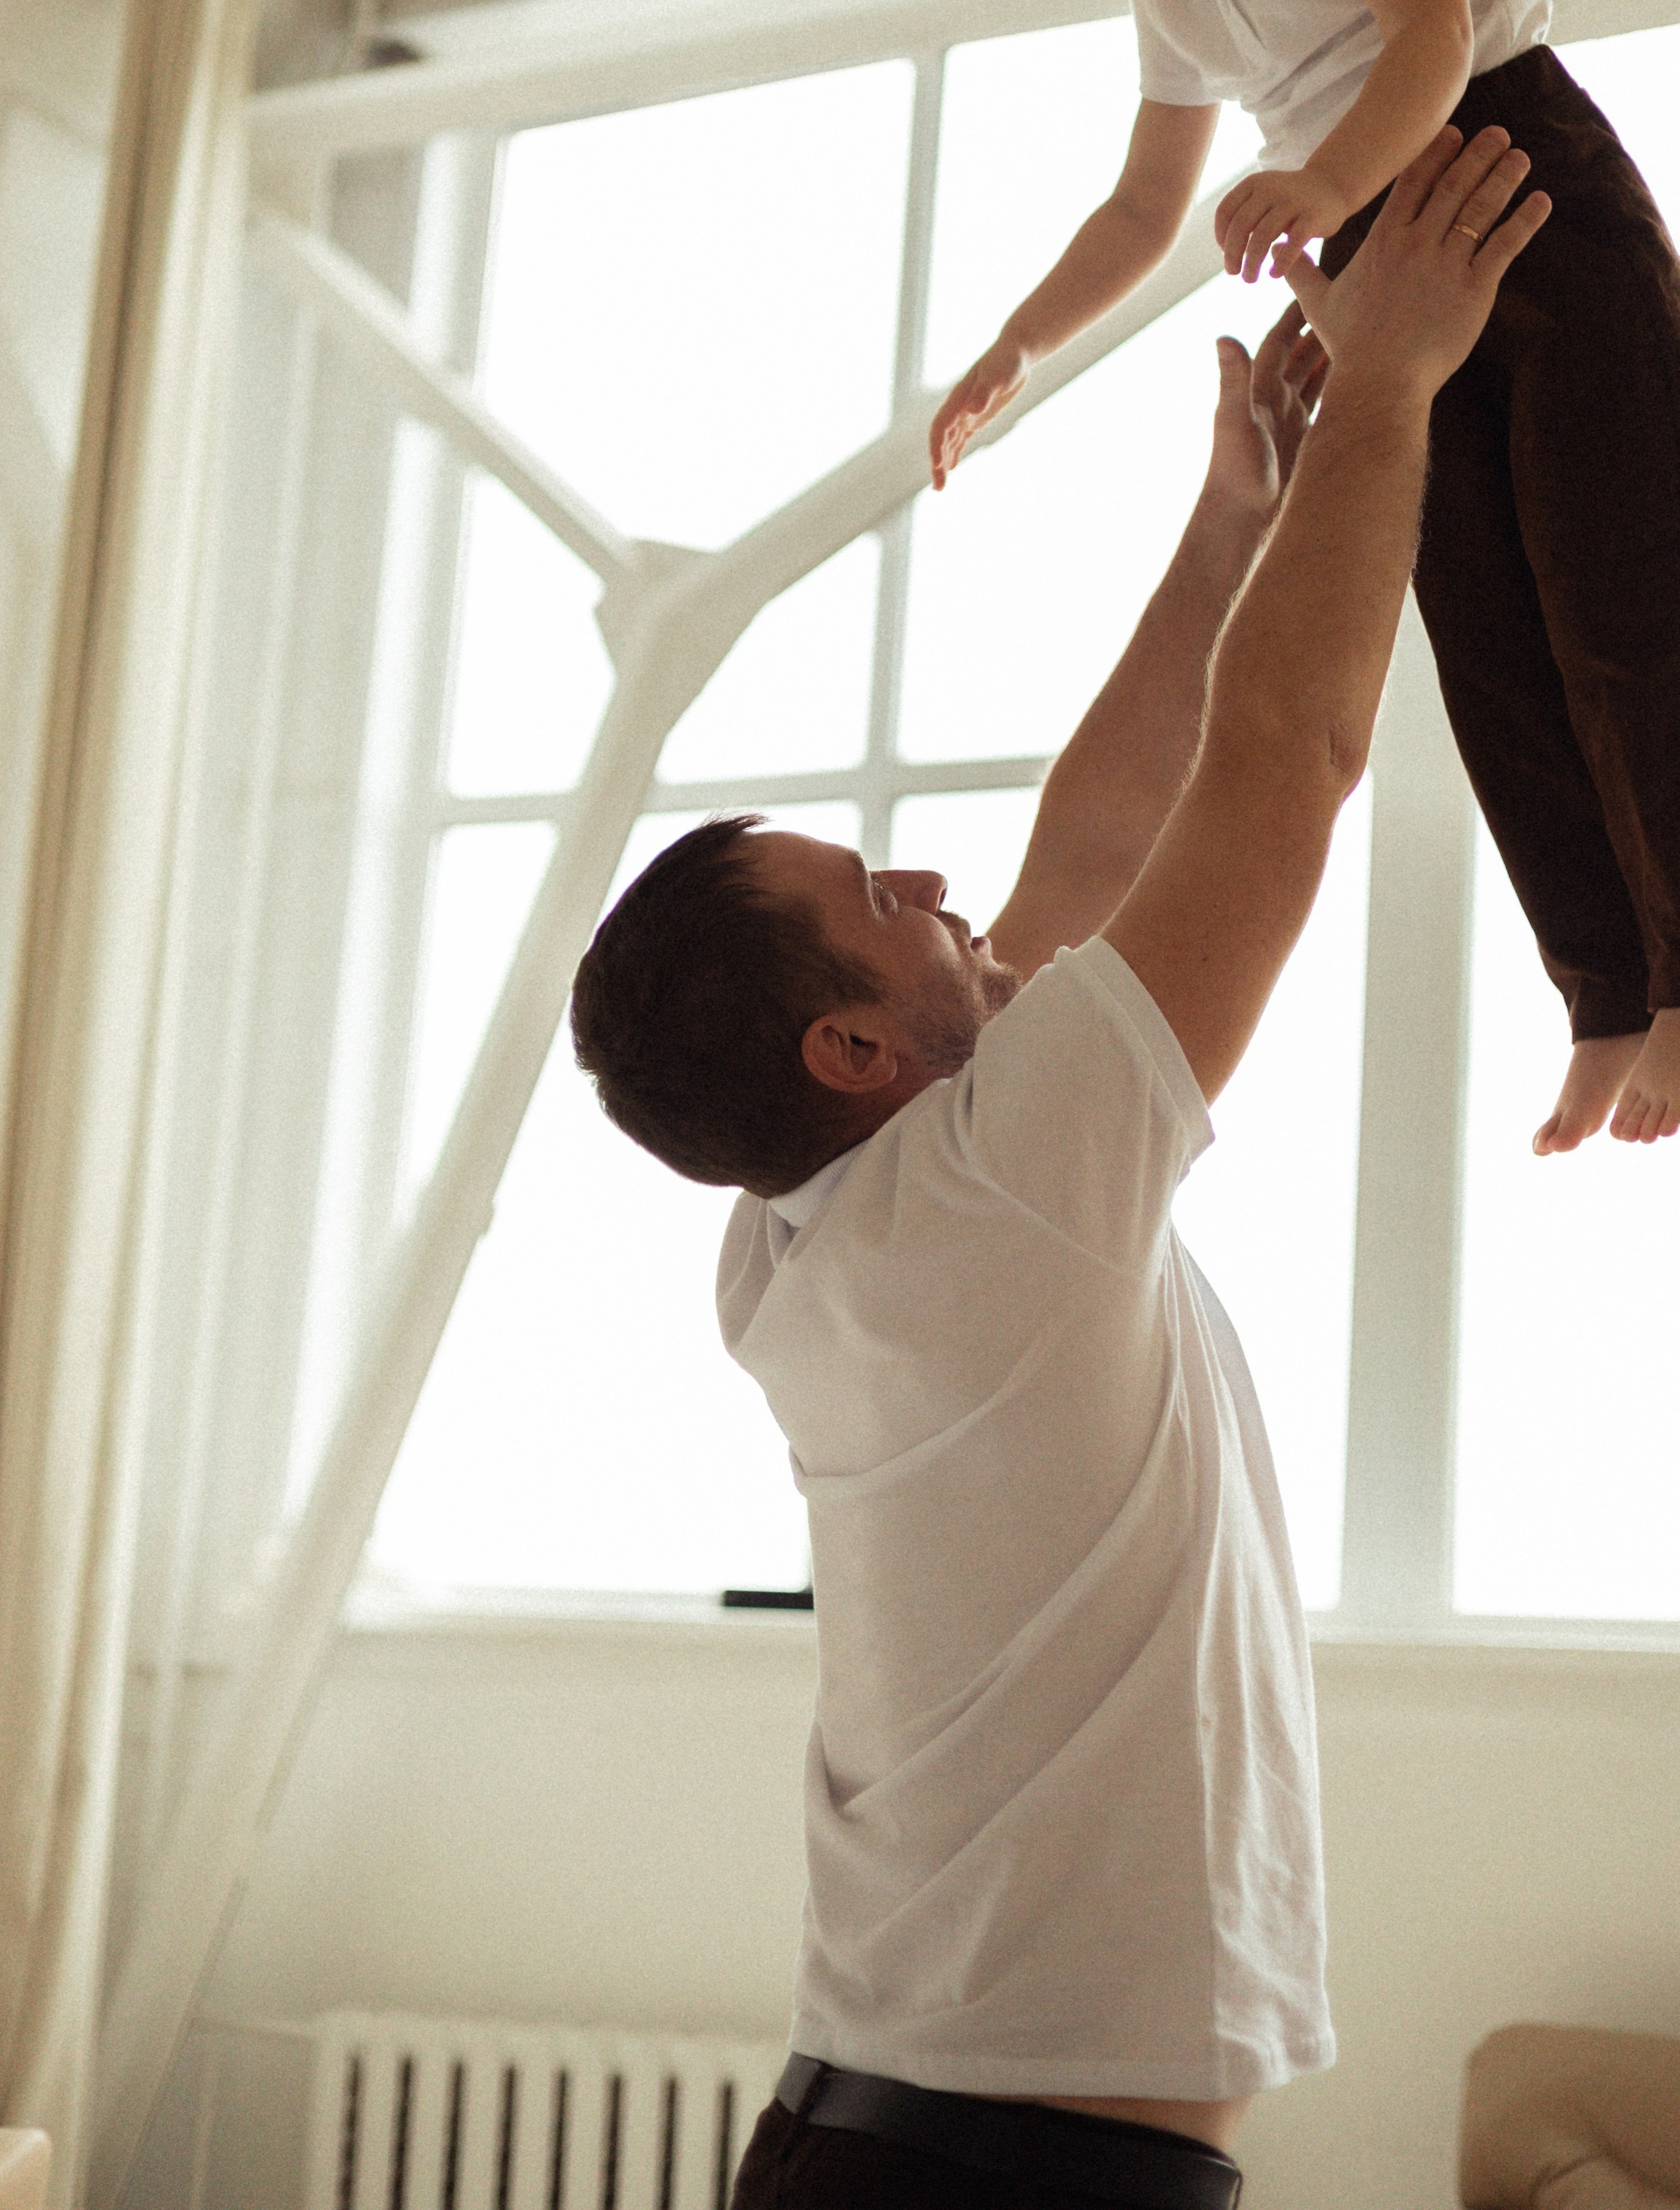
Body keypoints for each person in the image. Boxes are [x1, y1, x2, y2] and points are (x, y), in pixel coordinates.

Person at [570, 126, 1549, 2209]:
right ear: (853, 1047)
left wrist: (1228, 527)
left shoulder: (810, 1235)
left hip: (889, 2129)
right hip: (1002, 2176)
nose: (940, 883)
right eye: (880, 894)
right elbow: (1280, 761)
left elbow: (1087, 864)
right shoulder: (997, 1197)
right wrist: (1391, 382)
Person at [928, 0, 1680, 1159]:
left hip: (1520, 186)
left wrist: (1318, 185)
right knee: (1489, 649)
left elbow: (1431, 41)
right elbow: (1137, 208)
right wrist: (1016, 344)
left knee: (1631, 590)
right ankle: (1602, 992)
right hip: (1381, 271)